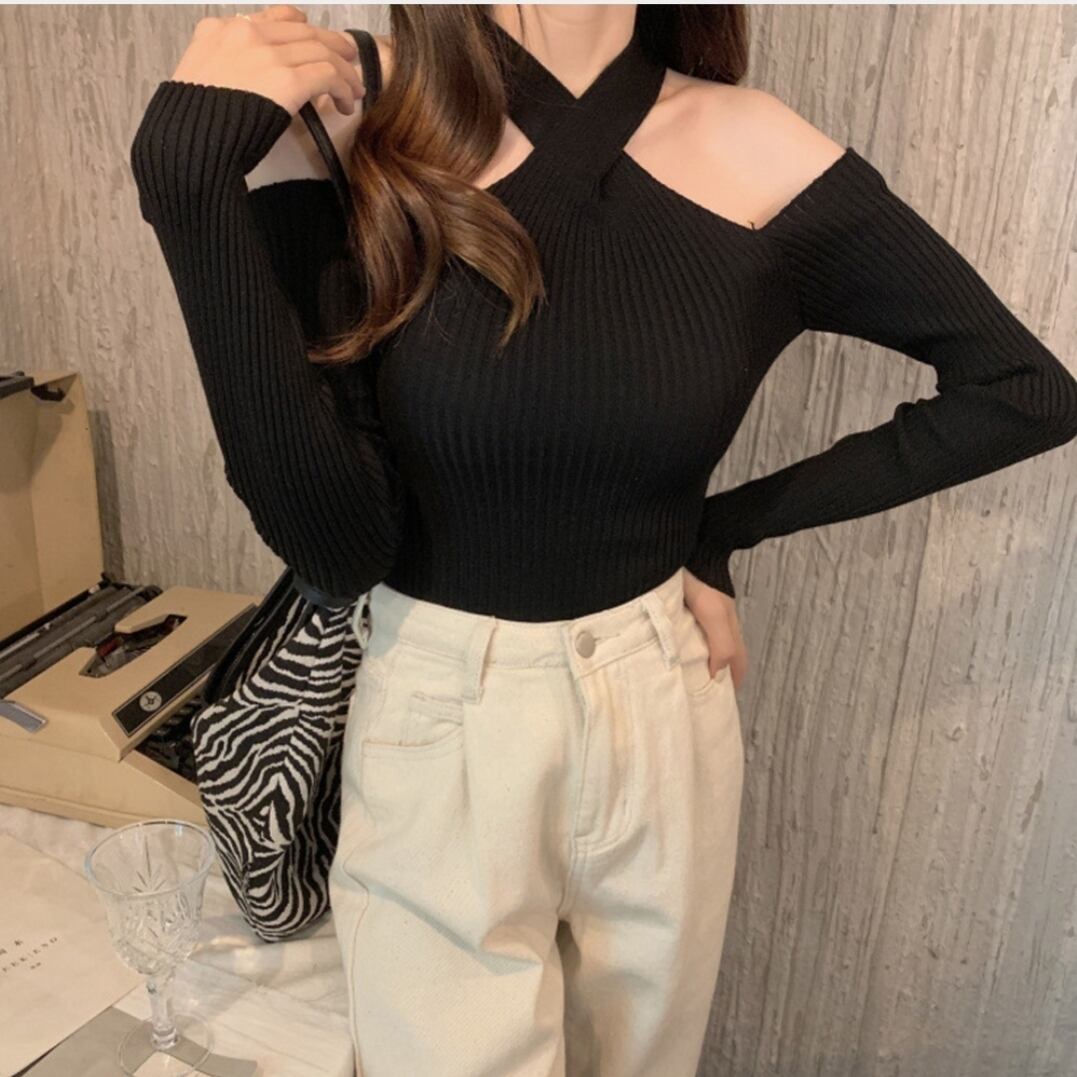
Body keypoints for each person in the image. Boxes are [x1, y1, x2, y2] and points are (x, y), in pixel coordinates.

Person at [129, 4, 1077, 1074]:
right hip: (441, 712)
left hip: (663, 697)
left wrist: (719, 530)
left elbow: (1025, 391)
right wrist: (187, 181)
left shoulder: (755, 147)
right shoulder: (348, 113)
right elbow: (336, 546)